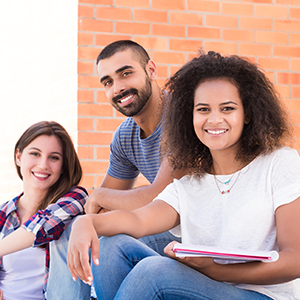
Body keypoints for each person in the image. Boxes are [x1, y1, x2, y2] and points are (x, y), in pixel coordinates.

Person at [67, 51, 300, 300]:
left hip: (263, 296)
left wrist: (215, 271)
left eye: (227, 108)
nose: (214, 119)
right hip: (201, 289)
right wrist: (86, 222)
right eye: (202, 109)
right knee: (111, 247)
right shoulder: (189, 184)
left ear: (248, 114)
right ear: (189, 116)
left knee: (153, 272)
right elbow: (137, 221)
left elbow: (294, 260)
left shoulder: (279, 162)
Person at [47, 40, 184, 299]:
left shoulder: (183, 116)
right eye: (107, 82)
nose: (118, 87)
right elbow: (99, 207)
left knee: (108, 241)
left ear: (151, 70)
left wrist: (100, 196)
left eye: (125, 73)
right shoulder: (125, 135)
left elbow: (156, 196)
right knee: (71, 231)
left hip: (189, 231)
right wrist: (99, 200)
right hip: (157, 225)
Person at [0, 121, 88, 300]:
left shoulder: (76, 199)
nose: (43, 165)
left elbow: (43, 226)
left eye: (54, 157)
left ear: (63, 166)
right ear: (18, 156)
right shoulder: (3, 214)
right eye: (35, 154)